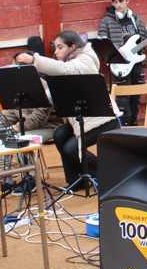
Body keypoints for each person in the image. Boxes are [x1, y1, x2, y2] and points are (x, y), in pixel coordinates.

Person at [16, 31, 121, 188]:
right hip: (83, 121)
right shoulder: (68, 63)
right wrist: (32, 96)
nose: (56, 52)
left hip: (103, 119)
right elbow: (52, 93)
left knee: (71, 148)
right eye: (55, 48)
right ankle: (75, 181)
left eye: (60, 47)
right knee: (60, 134)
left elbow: (66, 70)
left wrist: (35, 60)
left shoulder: (85, 60)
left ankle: (108, 175)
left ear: (73, 47)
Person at [98, 0, 147, 125]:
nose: (118, 5)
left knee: (136, 95)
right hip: (119, 63)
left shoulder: (136, 19)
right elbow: (102, 43)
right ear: (112, 3)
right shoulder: (106, 21)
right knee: (122, 96)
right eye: (115, 2)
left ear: (127, 1)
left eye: (121, 1)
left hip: (136, 62)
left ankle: (134, 123)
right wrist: (114, 53)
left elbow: (146, 38)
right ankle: (124, 125)